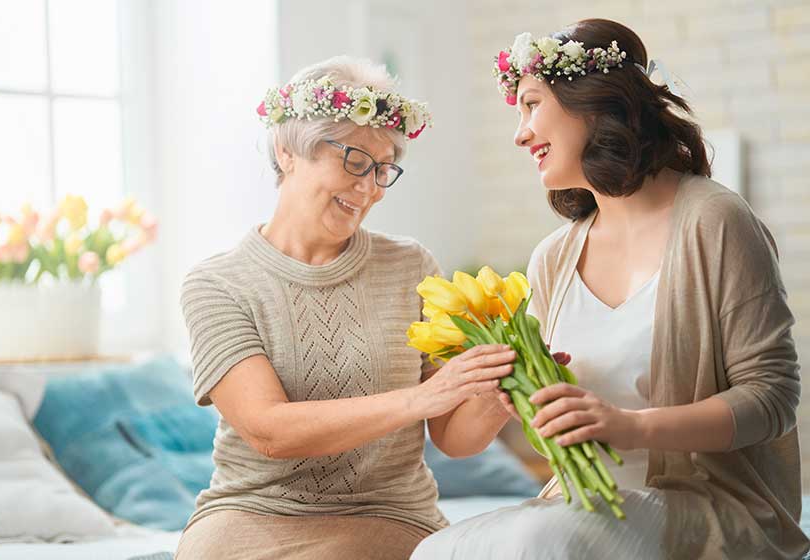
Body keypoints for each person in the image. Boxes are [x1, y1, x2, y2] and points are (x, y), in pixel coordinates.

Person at [413, 18, 807, 559]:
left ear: (593, 103)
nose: (519, 133)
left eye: (531, 105)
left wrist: (631, 426)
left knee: (539, 544)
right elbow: (472, 443)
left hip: (709, 507)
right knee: (436, 552)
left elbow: (772, 399)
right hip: (580, 504)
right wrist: (512, 394)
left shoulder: (715, 220)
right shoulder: (553, 257)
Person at [174, 55, 522, 560]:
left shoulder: (411, 266)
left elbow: (453, 438)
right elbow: (268, 430)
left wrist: (496, 388)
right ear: (287, 151)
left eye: (383, 170)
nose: (370, 188)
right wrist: (423, 398)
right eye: (355, 160)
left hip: (387, 511)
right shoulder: (218, 284)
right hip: (250, 511)